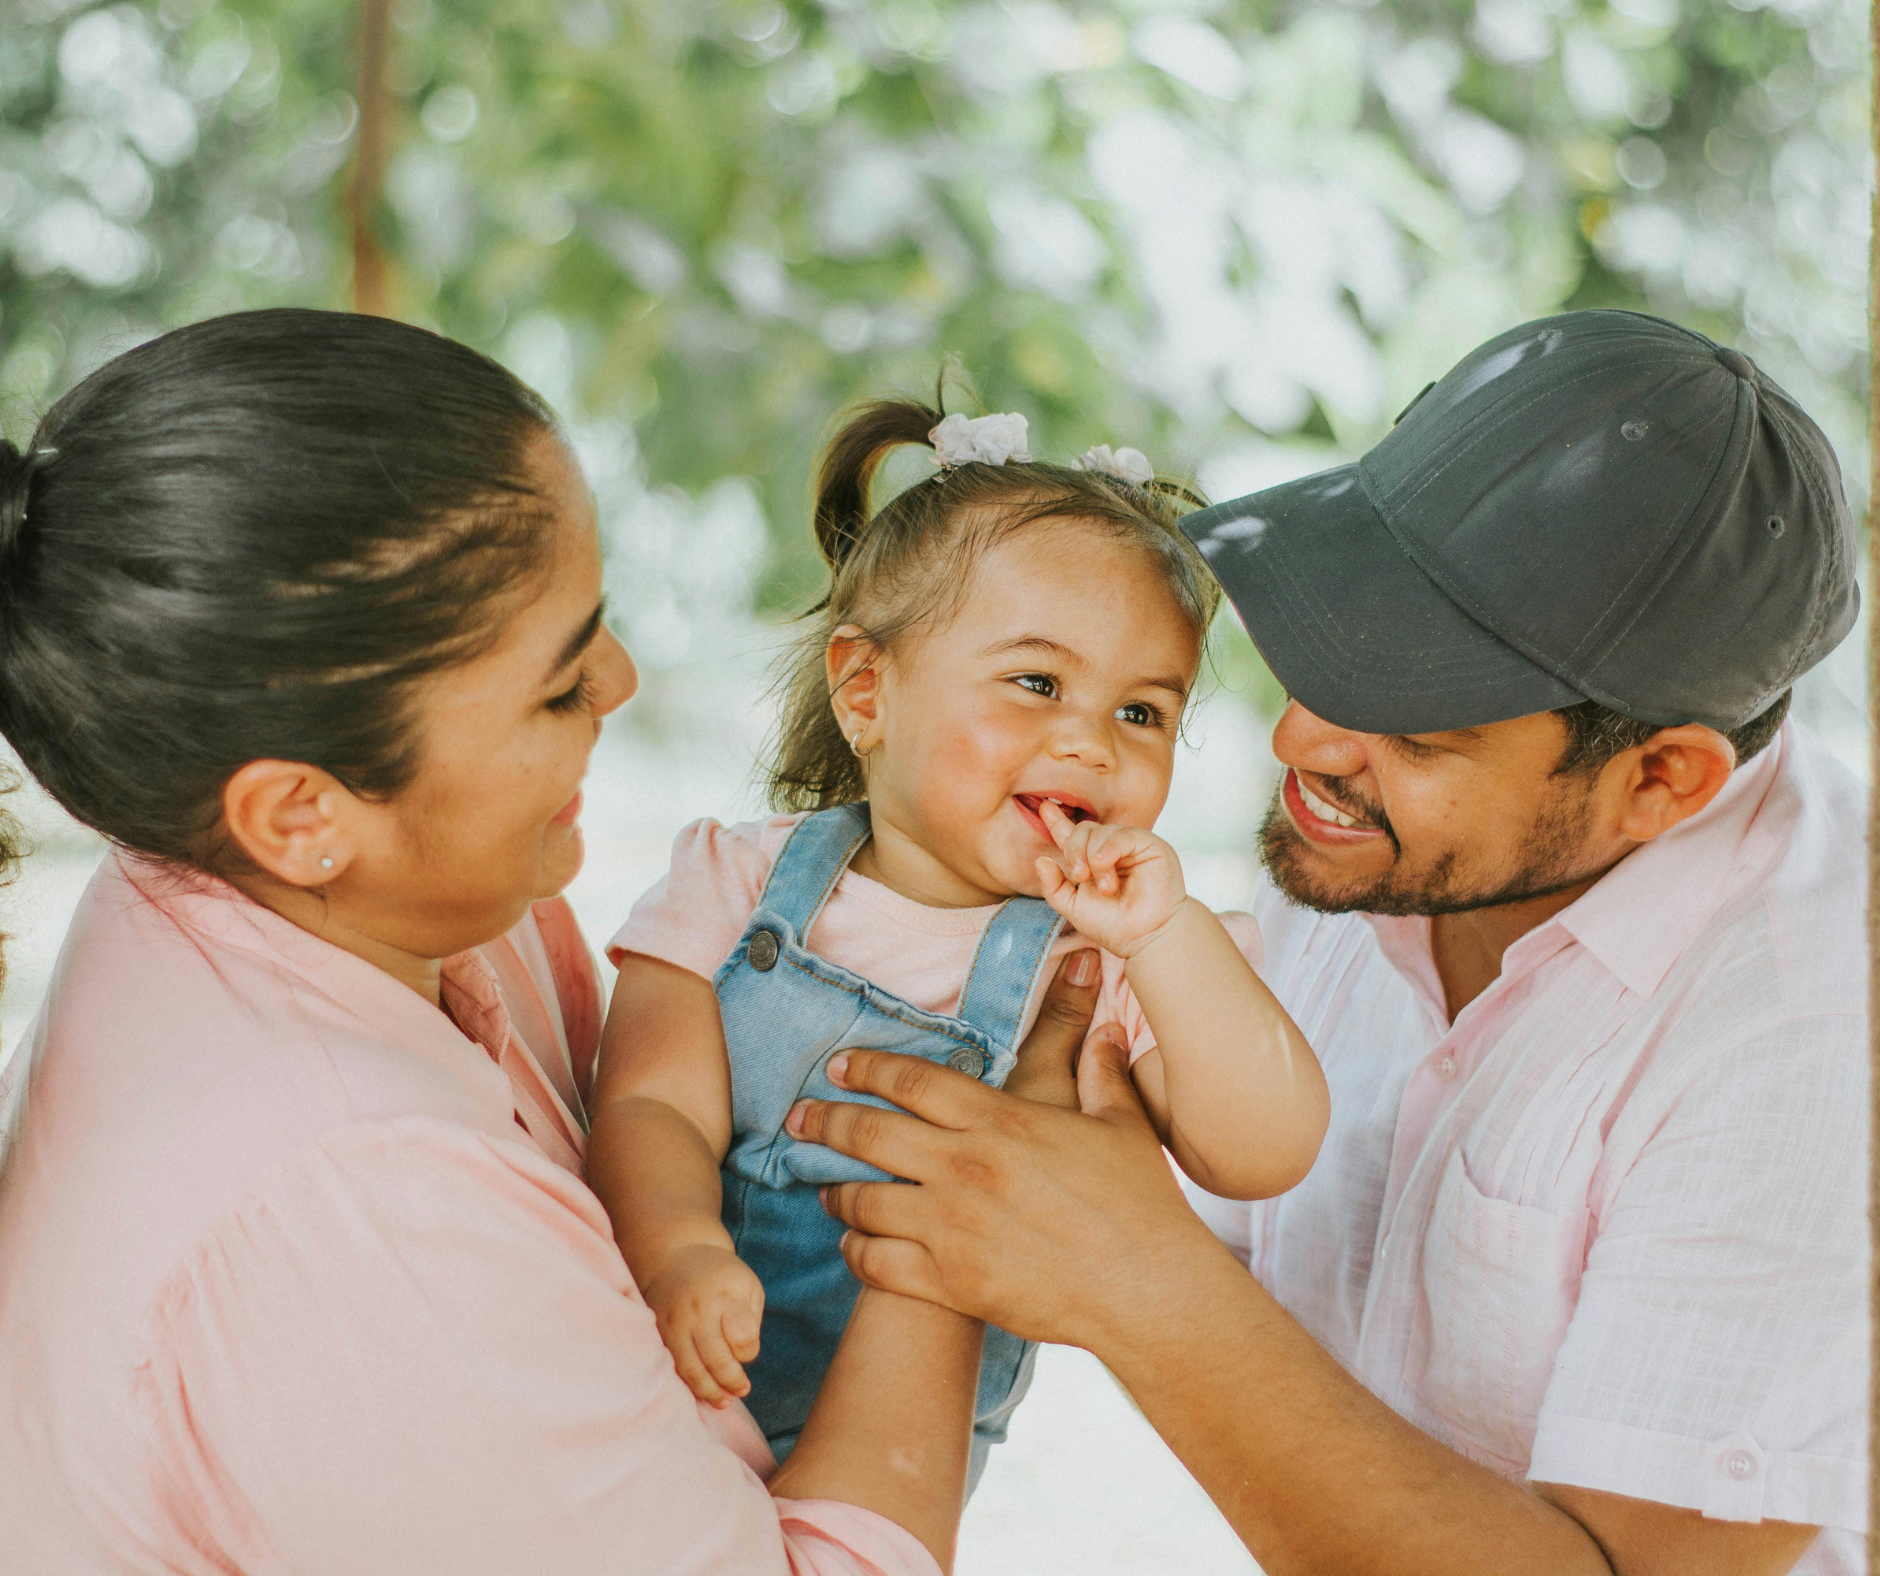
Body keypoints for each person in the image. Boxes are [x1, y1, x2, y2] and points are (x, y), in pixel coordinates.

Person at [0, 309, 1095, 1576]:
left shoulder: (352, 886)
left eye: (598, 624)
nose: (621, 681)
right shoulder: (364, 1210)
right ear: (300, 810)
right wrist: (951, 1208)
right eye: (559, 683)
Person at [788, 311, 1867, 1576]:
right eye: (1338, 644)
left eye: (1416, 723)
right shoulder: (1379, 840)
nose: (1301, 741)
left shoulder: (1815, 1036)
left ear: (1659, 781)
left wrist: (1143, 1283)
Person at [584, 397, 1329, 1483]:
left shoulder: (1108, 956)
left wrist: (1166, 937)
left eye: (1142, 712)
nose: (1088, 740)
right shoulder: (736, 878)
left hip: (903, 1447)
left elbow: (1263, 1151)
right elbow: (648, 1100)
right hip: (665, 1373)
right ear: (865, 688)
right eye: (1036, 682)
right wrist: (677, 1246)